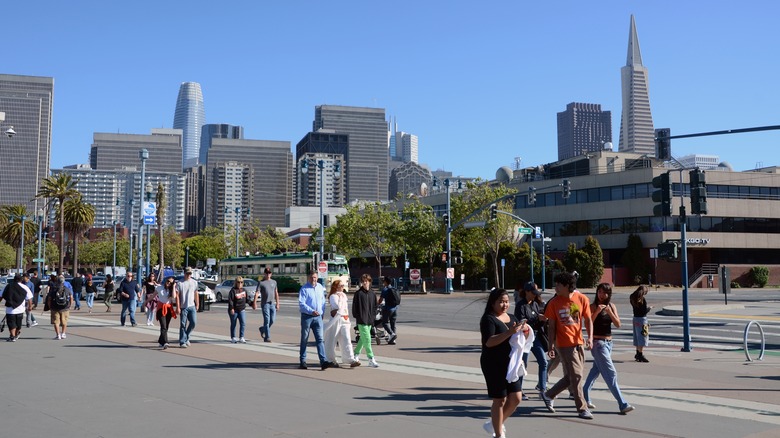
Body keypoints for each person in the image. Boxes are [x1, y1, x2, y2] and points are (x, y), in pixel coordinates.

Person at [541, 272, 594, 420]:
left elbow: (588, 319)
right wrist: (550, 346)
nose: (555, 287)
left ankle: (549, 394)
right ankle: (582, 408)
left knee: (572, 376)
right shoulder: (553, 303)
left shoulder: (581, 299)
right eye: (555, 284)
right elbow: (551, 327)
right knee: (576, 375)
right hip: (563, 344)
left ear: (567, 286)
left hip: (579, 342)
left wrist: (589, 337)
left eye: (559, 284)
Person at [480, 288, 530, 438]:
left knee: (516, 398)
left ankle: (495, 423)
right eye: (501, 302)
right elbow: (489, 342)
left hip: (510, 364)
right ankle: (498, 434)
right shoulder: (488, 319)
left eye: (507, 302)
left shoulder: (513, 318)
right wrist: (509, 332)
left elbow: (518, 340)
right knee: (500, 399)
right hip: (493, 364)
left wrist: (525, 332)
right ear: (493, 303)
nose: (504, 305)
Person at [583, 283, 635, 414]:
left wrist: (610, 312)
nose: (601, 295)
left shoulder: (611, 306)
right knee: (611, 373)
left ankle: (585, 393)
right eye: (599, 292)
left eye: (604, 293)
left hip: (609, 343)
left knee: (596, 370)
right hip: (597, 343)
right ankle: (622, 403)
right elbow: (588, 323)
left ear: (609, 294)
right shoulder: (593, 306)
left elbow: (618, 324)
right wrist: (597, 312)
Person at [514, 281, 548, 399]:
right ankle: (518, 389)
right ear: (527, 292)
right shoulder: (520, 305)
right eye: (533, 292)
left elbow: (536, 320)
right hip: (524, 338)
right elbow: (521, 321)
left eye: (536, 293)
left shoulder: (535, 304)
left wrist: (542, 320)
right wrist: (536, 317)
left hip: (535, 337)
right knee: (523, 364)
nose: (535, 295)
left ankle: (543, 388)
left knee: (543, 362)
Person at [297, 271, 334, 370]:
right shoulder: (304, 289)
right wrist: (311, 311)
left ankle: (323, 361)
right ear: (309, 278)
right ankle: (303, 360)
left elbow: (322, 301)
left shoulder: (320, 287)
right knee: (304, 339)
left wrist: (321, 313)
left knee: (320, 339)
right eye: (312, 277)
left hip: (318, 317)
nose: (314, 279)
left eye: (315, 277)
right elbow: (302, 304)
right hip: (307, 317)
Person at [324, 279, 360, 367]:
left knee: (347, 339)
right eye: (341, 285)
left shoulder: (344, 295)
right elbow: (337, 307)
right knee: (332, 339)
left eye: (343, 285)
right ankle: (330, 359)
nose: (343, 287)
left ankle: (350, 359)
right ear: (336, 287)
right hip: (336, 319)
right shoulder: (333, 296)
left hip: (344, 319)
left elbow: (345, 309)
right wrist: (340, 298)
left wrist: (346, 317)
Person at [352, 273, 380, 368]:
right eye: (363, 281)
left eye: (366, 281)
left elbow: (375, 306)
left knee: (363, 339)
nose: (364, 283)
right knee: (367, 339)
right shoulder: (358, 294)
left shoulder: (372, 294)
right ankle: (371, 359)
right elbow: (354, 307)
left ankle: (355, 354)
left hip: (369, 320)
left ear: (369, 282)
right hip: (361, 320)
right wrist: (358, 317)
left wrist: (373, 317)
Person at [2, 274, 33, 342]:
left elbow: (1, 295)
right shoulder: (24, 287)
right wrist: (30, 306)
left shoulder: (8, 286)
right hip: (20, 309)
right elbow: (29, 298)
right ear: (21, 280)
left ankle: (13, 336)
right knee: (18, 324)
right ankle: (14, 335)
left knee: (11, 323)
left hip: (10, 309)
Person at [176, 268, 199, 348]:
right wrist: (178, 307)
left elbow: (196, 293)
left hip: (191, 306)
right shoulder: (180, 283)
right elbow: (177, 296)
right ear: (184, 273)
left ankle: (187, 336)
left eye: (190, 274)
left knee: (193, 322)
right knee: (183, 324)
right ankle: (182, 341)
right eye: (187, 273)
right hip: (183, 306)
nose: (189, 275)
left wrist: (197, 304)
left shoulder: (194, 282)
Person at [630, 285, 653, 363]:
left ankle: (637, 353)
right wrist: (649, 308)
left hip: (635, 319)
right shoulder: (643, 300)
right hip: (642, 320)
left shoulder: (632, 297)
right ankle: (640, 354)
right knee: (643, 337)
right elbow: (643, 311)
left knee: (637, 337)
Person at [256, 268, 279, 343]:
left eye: (269, 273)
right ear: (264, 274)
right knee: (267, 320)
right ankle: (267, 337)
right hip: (265, 304)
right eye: (267, 273)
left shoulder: (274, 282)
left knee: (272, 320)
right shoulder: (261, 283)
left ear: (271, 274)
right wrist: (254, 302)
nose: (268, 274)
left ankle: (263, 329)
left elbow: (276, 293)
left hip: (272, 304)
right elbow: (257, 292)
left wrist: (278, 303)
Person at [47, 274, 72, 340]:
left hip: (55, 307)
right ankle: (63, 333)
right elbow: (71, 297)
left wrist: (50, 306)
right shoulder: (66, 289)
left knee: (56, 322)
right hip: (65, 307)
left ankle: (58, 335)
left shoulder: (53, 289)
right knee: (64, 321)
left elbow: (49, 298)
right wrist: (70, 305)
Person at [156, 276, 178, 349]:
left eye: (171, 282)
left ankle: (160, 340)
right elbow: (153, 295)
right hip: (161, 308)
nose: (169, 283)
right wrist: (146, 302)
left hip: (168, 309)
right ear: (165, 281)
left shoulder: (171, 290)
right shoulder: (160, 288)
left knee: (166, 326)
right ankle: (165, 342)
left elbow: (174, 297)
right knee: (163, 326)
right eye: (168, 281)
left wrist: (174, 286)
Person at [379, 276, 399, 345]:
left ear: (386, 282)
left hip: (388, 309)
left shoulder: (385, 289)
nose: (383, 283)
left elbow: (380, 300)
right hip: (395, 308)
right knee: (393, 324)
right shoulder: (394, 288)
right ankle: (392, 339)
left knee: (385, 323)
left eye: (383, 281)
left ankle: (392, 334)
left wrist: (377, 304)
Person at [228, 276, 248, 343]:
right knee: (233, 323)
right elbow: (230, 301)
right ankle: (233, 337)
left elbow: (247, 299)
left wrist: (252, 304)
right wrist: (232, 308)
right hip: (234, 309)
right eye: (238, 282)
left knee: (243, 323)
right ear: (236, 282)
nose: (240, 283)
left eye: (241, 282)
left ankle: (241, 337)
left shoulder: (244, 290)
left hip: (242, 309)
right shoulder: (233, 290)